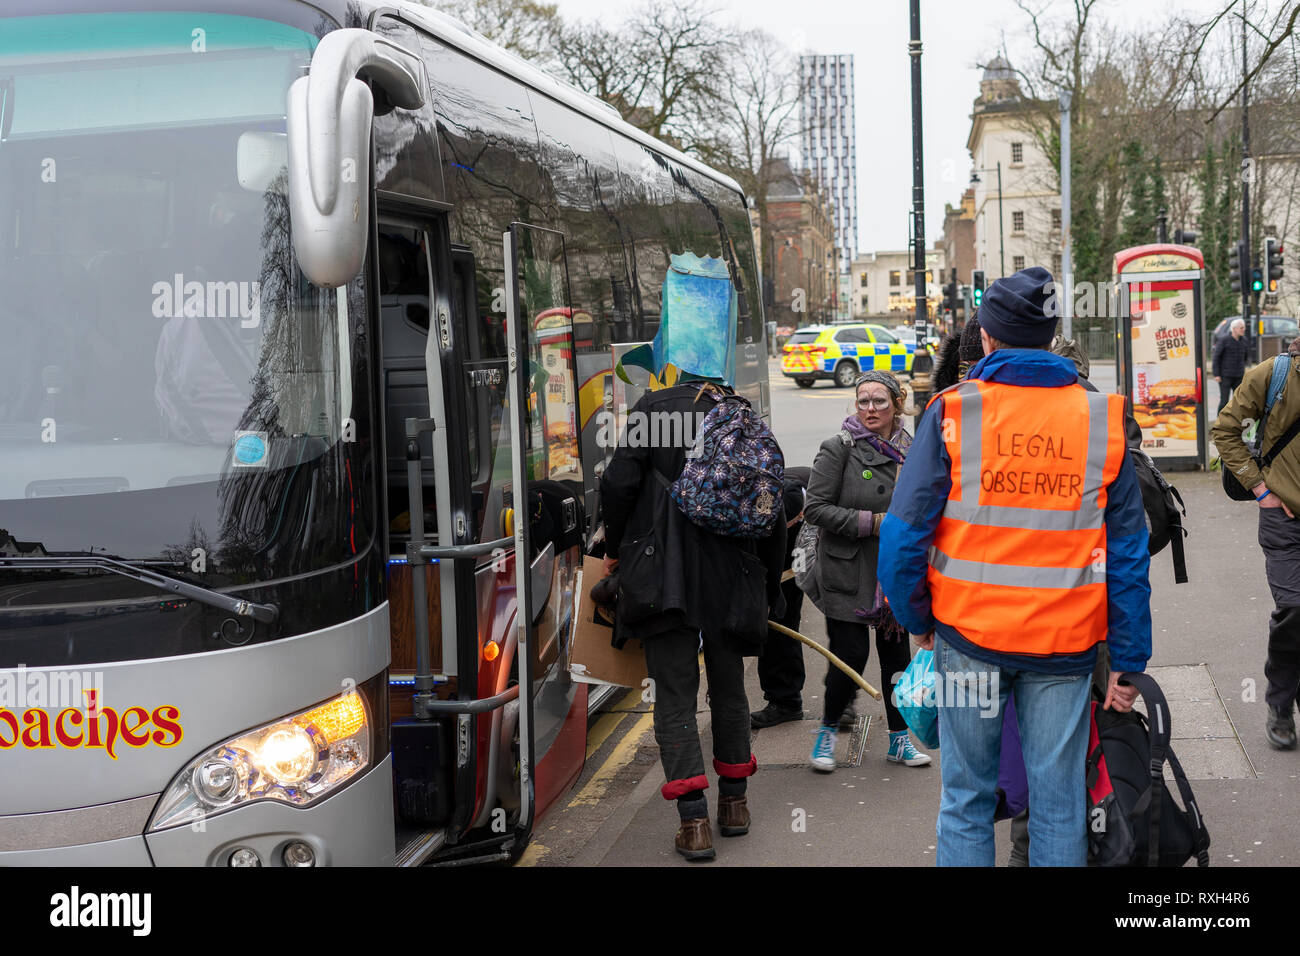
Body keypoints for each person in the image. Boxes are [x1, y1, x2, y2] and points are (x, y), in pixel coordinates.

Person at [879, 266, 1152, 866]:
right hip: (1065, 647)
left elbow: (902, 535)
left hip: (969, 639)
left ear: (987, 339)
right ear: (1052, 337)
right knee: (1058, 805)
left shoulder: (954, 411)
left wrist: (917, 619)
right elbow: (1129, 553)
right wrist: (1129, 661)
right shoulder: (1102, 418)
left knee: (967, 800)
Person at [601, 379, 786, 861]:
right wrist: (767, 588)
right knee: (730, 689)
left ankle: (694, 823)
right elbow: (772, 505)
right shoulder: (740, 414)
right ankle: (735, 806)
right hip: (731, 577)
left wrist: (615, 549)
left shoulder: (652, 408)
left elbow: (618, 483)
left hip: (664, 577)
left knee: (675, 695)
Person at [804, 370, 931, 773]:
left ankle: (899, 741)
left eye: (879, 400)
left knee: (896, 658)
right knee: (851, 655)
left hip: (894, 570)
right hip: (846, 570)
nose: (870, 408)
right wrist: (874, 523)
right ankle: (826, 734)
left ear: (897, 403)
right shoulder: (838, 447)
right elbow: (815, 509)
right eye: (863, 401)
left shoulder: (915, 452)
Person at [1212, 338, 1300, 749]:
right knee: (1294, 609)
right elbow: (1224, 429)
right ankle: (1280, 704)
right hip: (1284, 519)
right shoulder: (1273, 374)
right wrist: (1261, 490)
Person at [752, 467, 811, 728]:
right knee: (770, 627)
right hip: (765, 558)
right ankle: (781, 698)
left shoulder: (803, 499)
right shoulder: (761, 498)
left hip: (796, 560)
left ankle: (786, 701)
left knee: (783, 627)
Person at [1213, 318, 1250, 416]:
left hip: (1239, 376)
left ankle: (1234, 421)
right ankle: (1219, 421)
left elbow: (1246, 356)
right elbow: (1216, 357)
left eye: (1244, 328)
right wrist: (1216, 374)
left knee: (1239, 401)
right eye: (1241, 328)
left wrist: (1243, 368)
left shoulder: (1244, 341)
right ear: (1234, 329)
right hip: (1225, 376)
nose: (1243, 330)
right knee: (1224, 401)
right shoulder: (1224, 340)